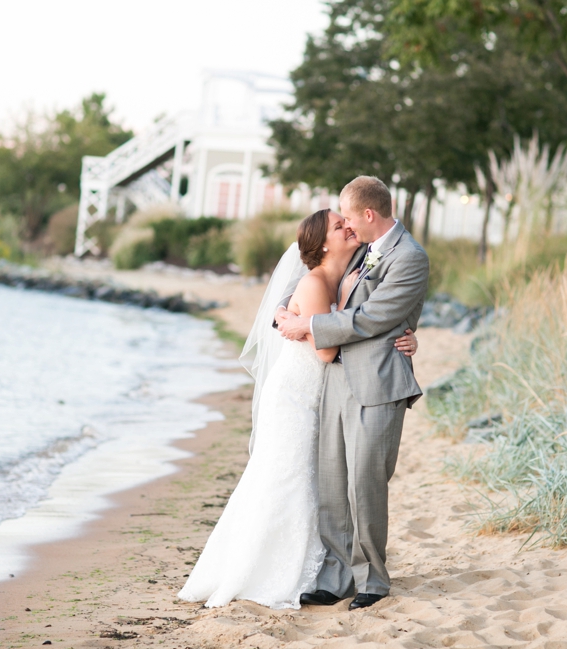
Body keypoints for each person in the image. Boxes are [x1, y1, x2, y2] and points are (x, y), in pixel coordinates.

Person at [177, 208, 418, 610]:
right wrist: (294, 317)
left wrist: (407, 337)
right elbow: (324, 350)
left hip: (324, 392)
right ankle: (263, 569)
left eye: (348, 221)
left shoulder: (363, 257)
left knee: (314, 482)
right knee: (287, 478)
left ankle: (324, 569)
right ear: (324, 242)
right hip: (297, 393)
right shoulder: (317, 278)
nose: (348, 227)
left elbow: (381, 311)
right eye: (339, 226)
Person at [277, 176, 429, 611]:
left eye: (347, 216)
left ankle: (373, 581)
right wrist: (283, 308)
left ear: (367, 214)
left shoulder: (409, 258)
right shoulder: (361, 247)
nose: (343, 225)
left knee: (365, 484)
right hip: (335, 380)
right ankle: (336, 576)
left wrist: (307, 326)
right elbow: (317, 275)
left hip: (378, 382)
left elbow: (371, 318)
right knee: (332, 483)